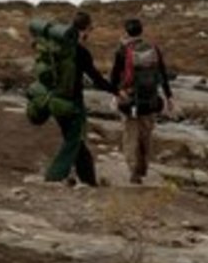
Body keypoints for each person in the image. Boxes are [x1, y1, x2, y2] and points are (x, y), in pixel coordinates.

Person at [43, 9, 115, 186]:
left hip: (53, 100)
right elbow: (96, 79)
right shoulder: (81, 53)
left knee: (76, 142)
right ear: (87, 29)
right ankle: (54, 176)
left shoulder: (56, 47)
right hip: (73, 103)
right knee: (73, 141)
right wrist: (116, 91)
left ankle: (89, 180)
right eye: (90, 29)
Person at [110, 15, 172, 184]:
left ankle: (134, 171)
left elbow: (114, 76)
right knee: (146, 136)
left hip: (129, 100)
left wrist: (116, 95)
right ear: (141, 31)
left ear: (126, 32)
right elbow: (163, 75)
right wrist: (169, 97)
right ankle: (143, 168)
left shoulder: (122, 50)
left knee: (131, 136)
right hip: (150, 100)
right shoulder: (153, 49)